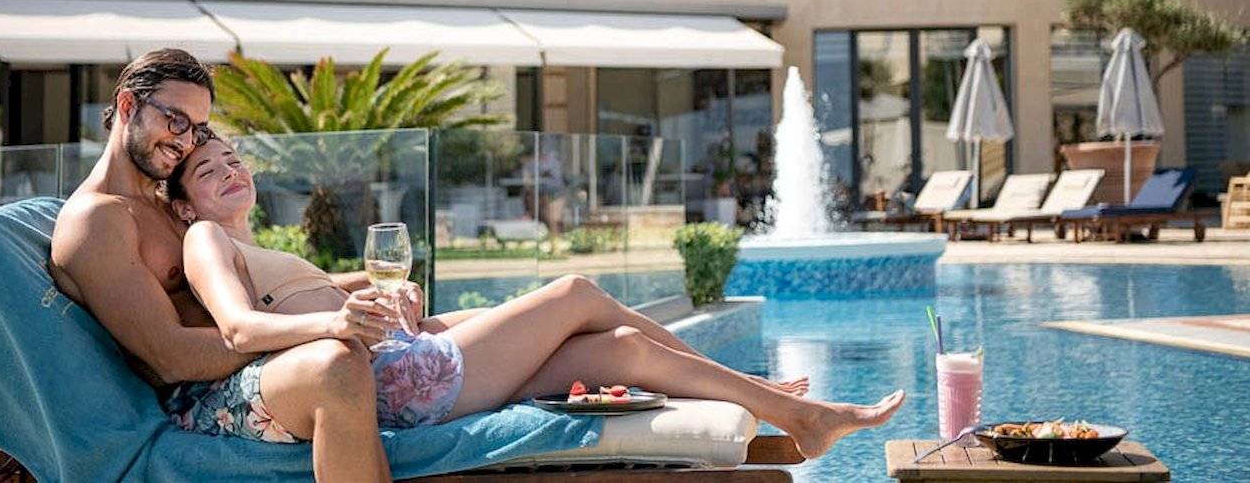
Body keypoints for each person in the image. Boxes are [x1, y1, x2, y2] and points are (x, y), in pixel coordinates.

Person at [165, 136, 905, 461]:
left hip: (405, 362)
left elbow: (312, 299)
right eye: (207, 170)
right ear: (184, 204)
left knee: (624, 351)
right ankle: (788, 404)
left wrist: (373, 290)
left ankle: (785, 411)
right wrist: (342, 314)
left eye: (234, 159)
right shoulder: (206, 242)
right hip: (393, 384)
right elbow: (240, 326)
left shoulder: (266, 243)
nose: (230, 171)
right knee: (576, 290)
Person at [49, 49, 393, 483]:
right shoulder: (96, 221)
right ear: (127, 105)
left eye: (196, 129)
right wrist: (309, 327)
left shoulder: (165, 200)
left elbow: (245, 282)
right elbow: (170, 357)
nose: (184, 141)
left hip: (255, 355)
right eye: (175, 120)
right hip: (200, 394)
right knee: (335, 367)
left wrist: (363, 290)